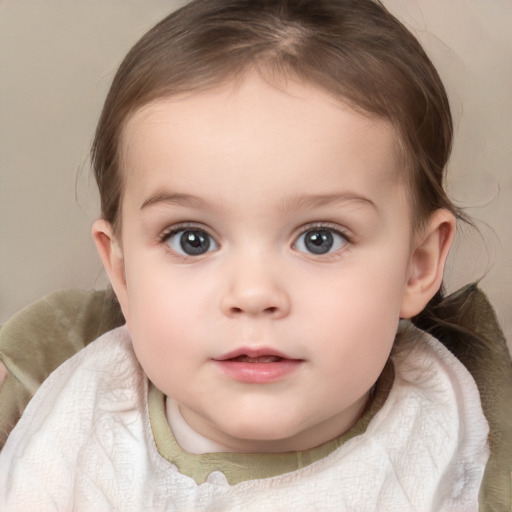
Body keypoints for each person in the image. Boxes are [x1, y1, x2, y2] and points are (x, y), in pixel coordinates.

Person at [0, 0, 511, 509]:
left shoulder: (455, 457)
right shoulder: (70, 420)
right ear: (122, 272)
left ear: (417, 266)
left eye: (320, 239)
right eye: (192, 239)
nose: (253, 294)